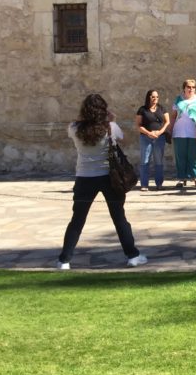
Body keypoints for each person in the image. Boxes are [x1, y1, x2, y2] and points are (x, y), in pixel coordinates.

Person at [56, 94, 147, 269]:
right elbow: (123, 139)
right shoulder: (110, 127)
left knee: (77, 219)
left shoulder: (74, 128)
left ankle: (64, 260)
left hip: (84, 177)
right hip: (109, 177)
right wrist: (112, 119)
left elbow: (77, 125)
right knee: (119, 218)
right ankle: (132, 256)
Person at [171, 79, 196, 188]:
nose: (191, 89)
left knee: (195, 156)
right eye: (189, 87)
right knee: (181, 156)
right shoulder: (178, 100)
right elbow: (173, 116)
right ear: (184, 88)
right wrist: (170, 130)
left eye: (193, 87)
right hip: (179, 132)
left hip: (195, 132)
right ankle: (182, 178)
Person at [135, 89, 169, 191]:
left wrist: (160, 132)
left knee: (158, 161)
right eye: (153, 97)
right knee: (145, 161)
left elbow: (167, 122)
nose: (155, 99)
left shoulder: (162, 108)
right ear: (148, 97)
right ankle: (144, 184)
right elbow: (138, 125)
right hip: (146, 137)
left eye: (157, 97)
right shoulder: (142, 109)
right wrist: (149, 133)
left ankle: (159, 184)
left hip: (159, 138)